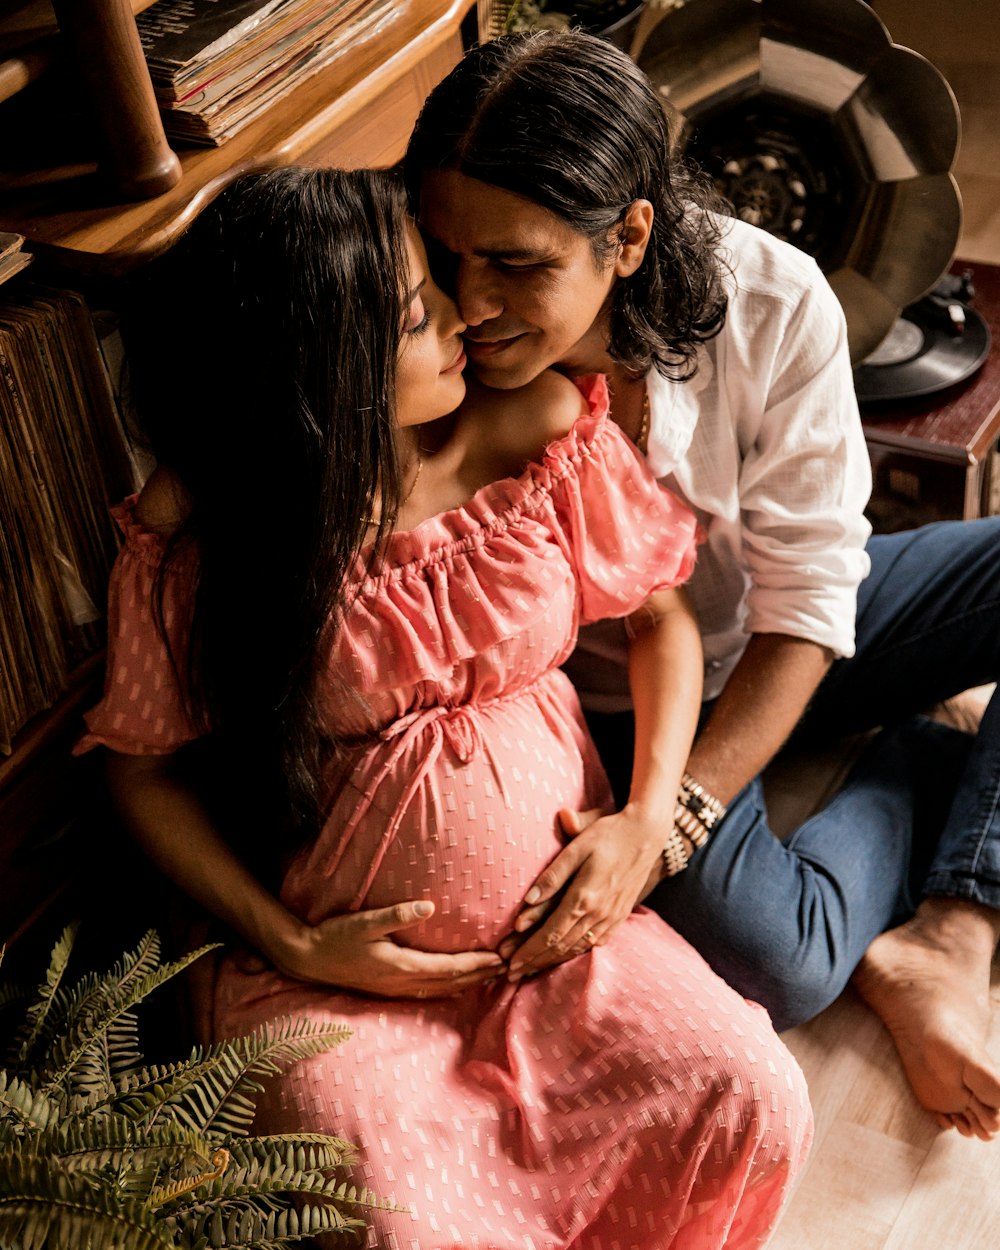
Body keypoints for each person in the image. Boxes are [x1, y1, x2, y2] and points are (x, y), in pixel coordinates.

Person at [77, 165, 811, 1249]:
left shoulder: (542, 429)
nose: (467, 317)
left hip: (561, 943)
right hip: (339, 985)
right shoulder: (209, 539)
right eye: (422, 315)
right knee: (402, 1223)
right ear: (329, 374)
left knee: (749, 1088)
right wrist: (292, 941)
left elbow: (660, 624)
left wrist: (648, 818)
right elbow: (137, 767)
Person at [402, 27, 1000, 1141]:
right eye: (446, 258)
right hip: (617, 712)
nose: (469, 305)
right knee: (781, 959)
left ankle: (955, 920)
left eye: (519, 264)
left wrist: (671, 821)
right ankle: (917, 760)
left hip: (776, 641)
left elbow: (813, 591)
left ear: (627, 237)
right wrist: (640, 812)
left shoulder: (772, 298)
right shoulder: (423, 359)